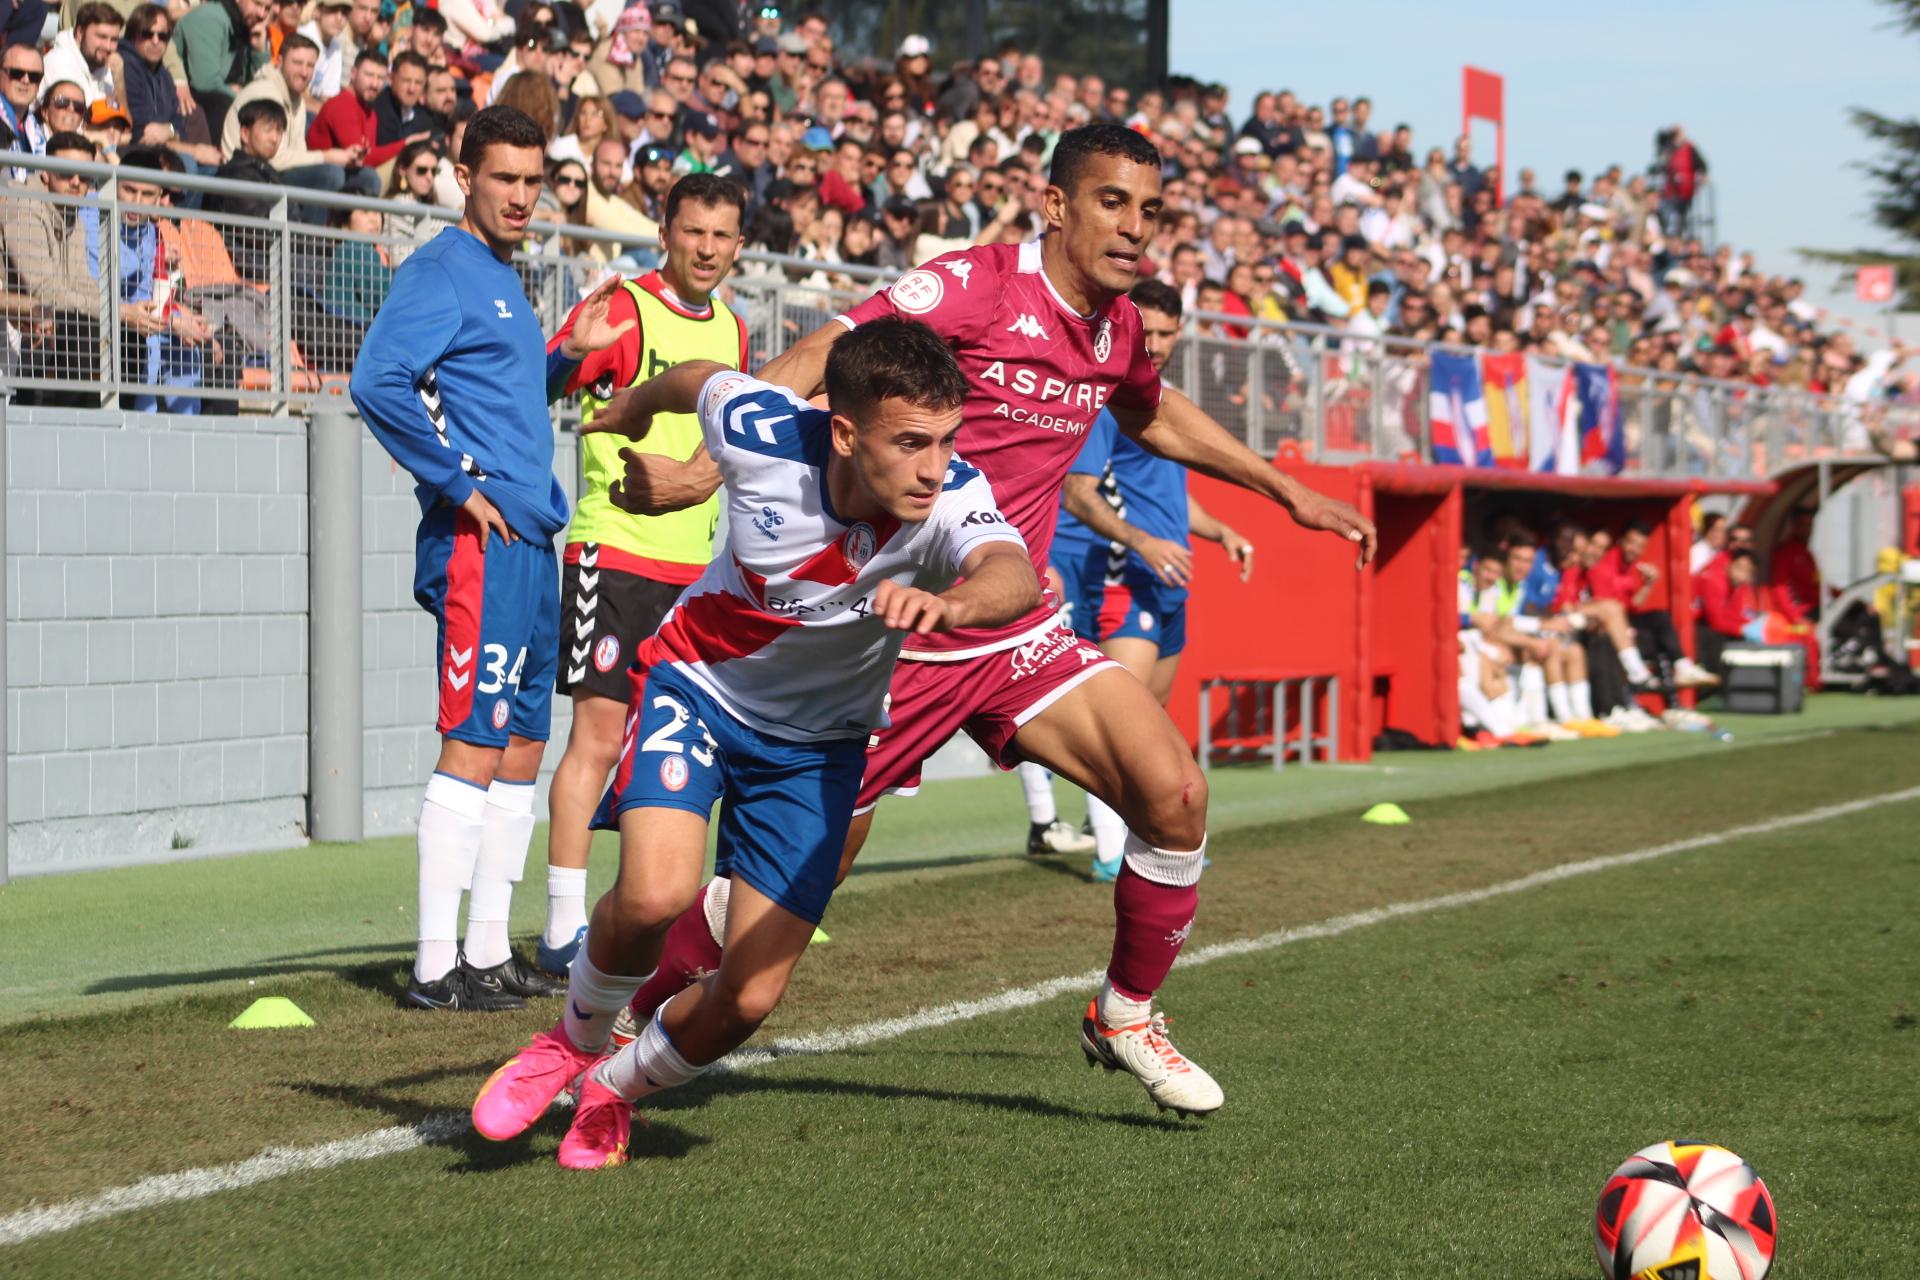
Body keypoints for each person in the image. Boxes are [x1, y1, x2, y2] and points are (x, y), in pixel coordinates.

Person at [596, 124, 1376, 1116]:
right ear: (1055, 204)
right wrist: (705, 469)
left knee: (1174, 791)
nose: (1136, 228)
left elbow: (1150, 413)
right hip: (885, 638)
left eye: (1150, 209)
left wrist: (1282, 490)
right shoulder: (971, 286)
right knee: (792, 888)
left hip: (1010, 626)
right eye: (1111, 202)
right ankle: (638, 1013)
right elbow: (835, 354)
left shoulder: (1124, 326)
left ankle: (1126, 1012)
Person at [470, 319, 1041, 1168]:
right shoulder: (758, 428)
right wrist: (631, 406)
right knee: (655, 896)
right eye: (912, 442)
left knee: (750, 995)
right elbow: (698, 375)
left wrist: (953, 605)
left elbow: (1011, 570)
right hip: (698, 688)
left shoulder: (951, 494)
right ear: (845, 433)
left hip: (819, 748)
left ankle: (614, 1088)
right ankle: (571, 1042)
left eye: (947, 440)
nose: (935, 466)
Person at [347, 104, 633, 1011]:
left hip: (528, 538)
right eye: (503, 178)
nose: (521, 195)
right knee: (472, 738)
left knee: (519, 743)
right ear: (464, 177)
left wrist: (562, 356)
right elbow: (375, 380)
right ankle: (435, 966)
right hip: (483, 539)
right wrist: (456, 486)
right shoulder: (440, 269)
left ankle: (484, 951)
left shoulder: (504, 277)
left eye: (531, 179)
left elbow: (492, 396)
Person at [534, 172, 747, 975]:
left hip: (698, 571)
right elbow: (547, 388)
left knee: (680, 745)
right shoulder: (626, 307)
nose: (707, 249)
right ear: (666, 229)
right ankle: (561, 928)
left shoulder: (733, 330)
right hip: (616, 553)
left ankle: (648, 917)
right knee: (597, 737)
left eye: (721, 236)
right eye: (694, 231)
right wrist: (564, 353)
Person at [1048, 278, 1255, 877]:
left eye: (1167, 332)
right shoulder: (1107, 396)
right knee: (1123, 722)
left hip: (1169, 583)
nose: (1157, 342)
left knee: (1154, 721)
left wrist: (1221, 532)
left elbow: (1173, 497)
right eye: (1149, 330)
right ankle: (1112, 852)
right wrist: (1141, 541)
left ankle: (1140, 839)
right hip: (1124, 577)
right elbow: (1078, 495)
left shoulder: (1159, 397)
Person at [171, 0, 270, 139]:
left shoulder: (246, 25)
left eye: (267, 8)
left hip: (217, 95)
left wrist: (258, 51)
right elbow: (204, 82)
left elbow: (260, 83)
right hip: (183, 97)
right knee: (224, 104)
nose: (261, 14)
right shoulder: (209, 18)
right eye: (257, 4)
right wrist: (243, 95)